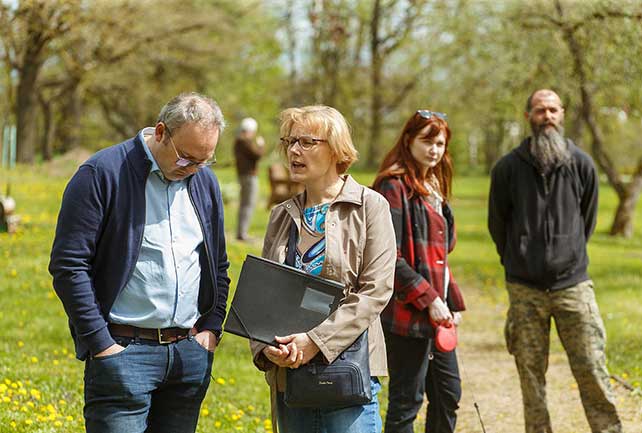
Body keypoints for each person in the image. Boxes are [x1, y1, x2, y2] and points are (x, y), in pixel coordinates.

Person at [49, 92, 231, 433]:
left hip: (188, 355)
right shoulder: (101, 174)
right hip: (123, 351)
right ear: (161, 132)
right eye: (186, 159)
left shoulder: (204, 181)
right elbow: (69, 266)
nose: (192, 169)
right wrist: (101, 343)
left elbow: (217, 264)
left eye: (204, 161)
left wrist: (211, 329)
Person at [250, 105, 397, 433]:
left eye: (305, 142)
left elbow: (375, 291)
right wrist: (266, 348)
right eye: (289, 142)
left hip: (347, 377)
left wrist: (315, 341)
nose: (293, 151)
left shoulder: (370, 206)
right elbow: (264, 295)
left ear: (336, 149)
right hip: (291, 382)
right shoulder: (281, 214)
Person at [488, 89, 622, 433]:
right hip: (525, 290)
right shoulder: (507, 168)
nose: (546, 116)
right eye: (539, 110)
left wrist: (567, 253)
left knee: (592, 367)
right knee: (531, 377)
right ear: (528, 116)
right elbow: (497, 224)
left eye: (552, 110)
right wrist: (519, 259)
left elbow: (587, 220)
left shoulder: (582, 164)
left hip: (573, 286)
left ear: (562, 114)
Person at [372, 110, 466, 433]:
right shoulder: (393, 186)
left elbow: (440, 255)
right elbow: (388, 257)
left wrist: (449, 301)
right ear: (409, 140)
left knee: (448, 395)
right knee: (406, 403)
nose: (434, 149)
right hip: (406, 314)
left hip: (436, 314)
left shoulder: (433, 186)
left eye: (440, 143)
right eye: (427, 141)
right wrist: (429, 300)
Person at [234, 116, 265, 240]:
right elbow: (257, 155)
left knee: (245, 204)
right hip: (249, 177)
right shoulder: (245, 142)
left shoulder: (238, 141)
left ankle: (241, 232)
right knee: (248, 204)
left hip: (244, 176)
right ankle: (242, 233)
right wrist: (261, 145)